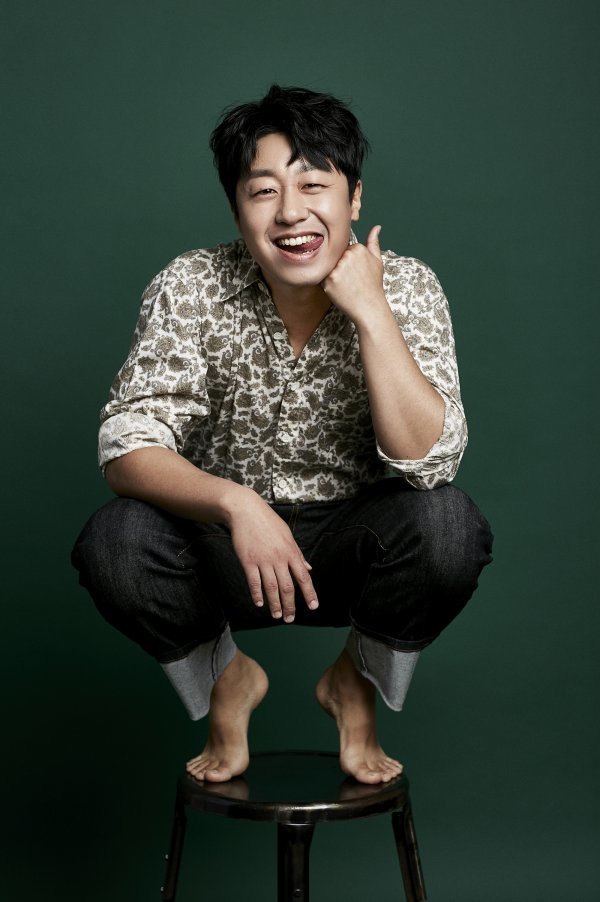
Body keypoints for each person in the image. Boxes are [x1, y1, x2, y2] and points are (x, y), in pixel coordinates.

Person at [72, 84, 493, 786]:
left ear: (354, 198)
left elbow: (430, 462)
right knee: (114, 542)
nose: (291, 211)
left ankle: (356, 681)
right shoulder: (191, 284)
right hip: (225, 548)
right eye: (264, 190)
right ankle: (226, 680)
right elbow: (125, 446)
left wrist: (372, 312)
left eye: (313, 184)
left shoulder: (409, 287)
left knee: (450, 527)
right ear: (236, 209)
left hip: (354, 548)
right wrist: (236, 504)